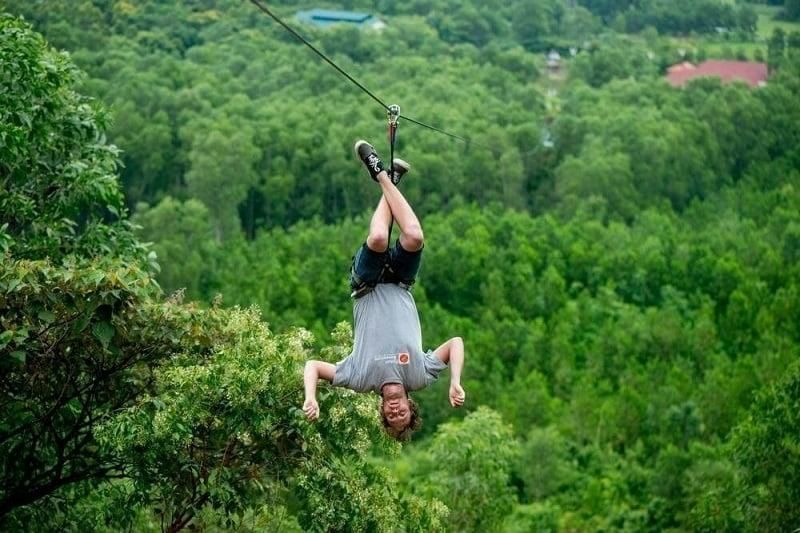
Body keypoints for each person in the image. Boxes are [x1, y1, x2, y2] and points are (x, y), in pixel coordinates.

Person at [302, 139, 466, 441]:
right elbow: (455, 343)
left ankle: (381, 175)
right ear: (409, 404)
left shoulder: (359, 379)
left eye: (391, 417)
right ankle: (388, 178)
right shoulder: (420, 375)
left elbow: (312, 366)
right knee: (414, 236)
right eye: (402, 414)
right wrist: (454, 381)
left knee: (378, 238)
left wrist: (311, 398)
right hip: (401, 282)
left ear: (382, 410)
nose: (395, 412)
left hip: (366, 283)